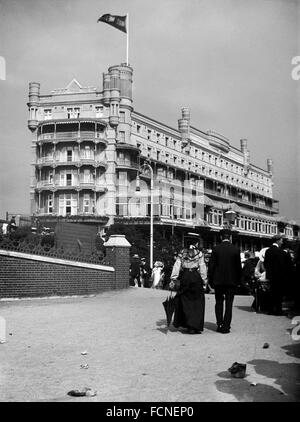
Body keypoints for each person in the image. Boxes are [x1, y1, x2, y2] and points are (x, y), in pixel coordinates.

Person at [208, 229, 242, 334]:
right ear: (230, 237)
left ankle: (220, 324)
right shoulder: (235, 249)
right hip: (231, 282)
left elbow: (211, 266)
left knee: (218, 303)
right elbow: (238, 268)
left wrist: (210, 280)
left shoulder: (216, 249)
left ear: (221, 237)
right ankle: (226, 326)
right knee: (229, 304)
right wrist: (238, 281)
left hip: (218, 282)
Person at [169, 244, 207, 334]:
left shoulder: (182, 253)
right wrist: (204, 280)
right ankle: (195, 325)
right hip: (195, 276)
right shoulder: (199, 253)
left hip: (185, 276)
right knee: (197, 302)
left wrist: (173, 278)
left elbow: (177, 265)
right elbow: (202, 267)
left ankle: (188, 324)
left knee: (185, 300)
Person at [264, 234, 286, 315]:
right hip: (279, 276)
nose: (282, 242)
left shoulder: (268, 251)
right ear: (278, 241)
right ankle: (278, 310)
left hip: (271, 275)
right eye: (281, 240)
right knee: (279, 294)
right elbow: (283, 265)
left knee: (272, 292)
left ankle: (270, 310)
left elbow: (265, 263)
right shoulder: (281, 252)